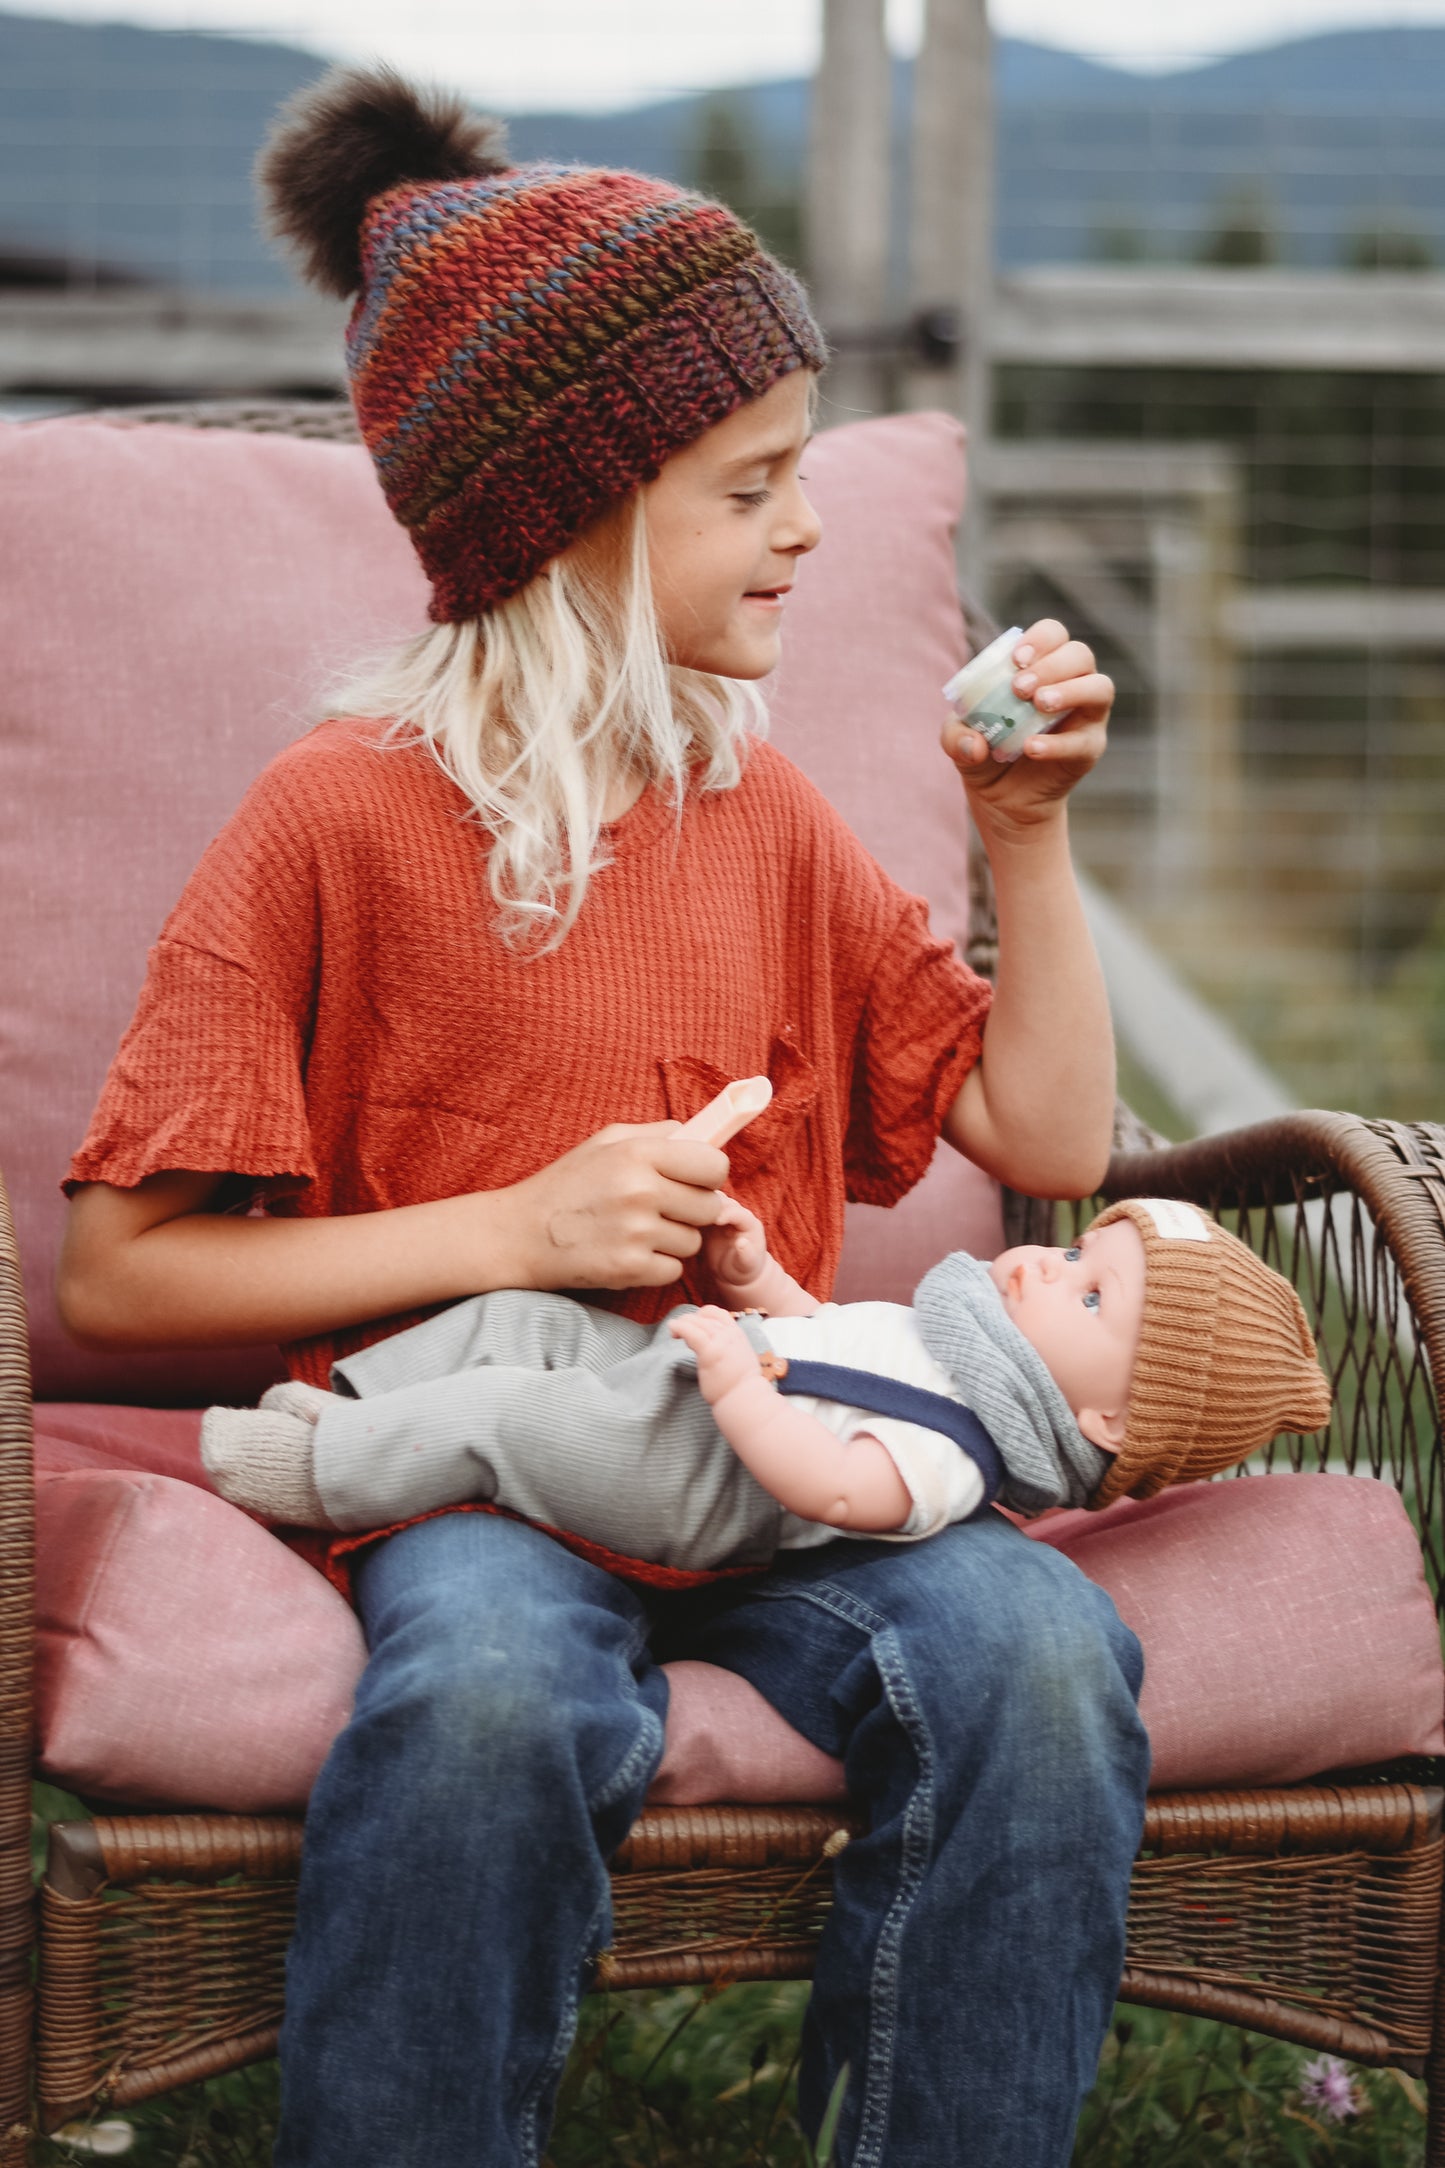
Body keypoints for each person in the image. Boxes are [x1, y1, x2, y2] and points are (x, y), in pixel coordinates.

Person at [58, 62, 1147, 2168]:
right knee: (478, 1706)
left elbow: (1055, 1135)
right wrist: (517, 1232)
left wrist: (1018, 835)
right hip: (482, 1480)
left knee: (1031, 1656)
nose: (805, 527)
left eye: (801, 472)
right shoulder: (330, 823)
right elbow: (122, 1269)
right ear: (569, 509)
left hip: (792, 1470)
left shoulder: (761, 809)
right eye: (747, 484)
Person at [200, 1194, 1333, 1567]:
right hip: (690, 1387)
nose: (1051, 1263)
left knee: (516, 1418)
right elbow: (836, 1334)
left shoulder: (958, 1450)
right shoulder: (961, 1340)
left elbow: (835, 1487)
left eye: (1088, 1297)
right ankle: (357, 1408)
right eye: (1083, 1249)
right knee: (526, 1323)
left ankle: (311, 1470)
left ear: (1103, 1417)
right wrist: (758, 1279)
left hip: (699, 1480)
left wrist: (741, 1386)